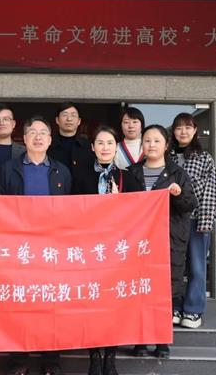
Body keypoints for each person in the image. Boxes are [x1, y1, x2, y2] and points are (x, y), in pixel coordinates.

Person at [0, 116, 71, 375]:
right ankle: (19, 360)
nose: (38, 137)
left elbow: (70, 209)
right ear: (24, 138)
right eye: (32, 132)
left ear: (50, 140)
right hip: (20, 248)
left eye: (43, 133)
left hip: (52, 248)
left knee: (51, 305)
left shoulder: (62, 171)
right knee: (20, 304)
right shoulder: (9, 168)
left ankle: (51, 360)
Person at [123, 125, 198, 359]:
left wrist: (178, 194)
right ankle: (140, 340)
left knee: (164, 293)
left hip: (168, 241)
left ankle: (162, 341)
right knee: (139, 291)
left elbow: (190, 204)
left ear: (166, 145)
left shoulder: (177, 173)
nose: (151, 145)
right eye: (147, 140)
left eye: (156, 141)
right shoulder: (131, 173)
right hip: (137, 243)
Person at [71, 125, 125, 375]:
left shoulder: (128, 177)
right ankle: (94, 356)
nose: (105, 148)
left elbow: (139, 213)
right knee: (92, 302)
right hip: (88, 250)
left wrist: (118, 203)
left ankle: (110, 357)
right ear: (92, 147)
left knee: (114, 306)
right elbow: (71, 211)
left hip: (117, 252)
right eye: (100, 143)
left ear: (116, 147)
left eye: (110, 143)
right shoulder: (80, 176)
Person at [170, 113, 216, 329]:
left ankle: (193, 310)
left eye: (188, 127)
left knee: (197, 267)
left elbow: (212, 190)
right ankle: (174, 306)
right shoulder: (168, 156)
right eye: (179, 128)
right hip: (172, 220)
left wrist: (205, 221)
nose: (183, 132)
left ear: (195, 130)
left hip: (196, 219)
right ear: (173, 132)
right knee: (174, 266)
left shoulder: (204, 158)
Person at [48, 102, 95, 176]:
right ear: (57, 120)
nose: (69, 119)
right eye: (65, 115)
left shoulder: (88, 146)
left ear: (79, 121)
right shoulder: (48, 145)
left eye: (73, 115)